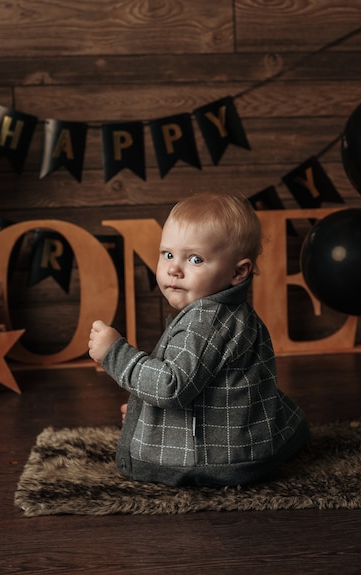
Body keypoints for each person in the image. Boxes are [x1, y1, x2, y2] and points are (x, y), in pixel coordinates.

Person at [88, 191, 310, 487]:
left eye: (195, 259)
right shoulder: (234, 312)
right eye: (167, 254)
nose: (173, 268)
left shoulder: (204, 321)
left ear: (238, 271)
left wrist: (114, 354)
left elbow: (171, 387)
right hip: (238, 436)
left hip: (216, 459)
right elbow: (208, 385)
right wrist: (149, 412)